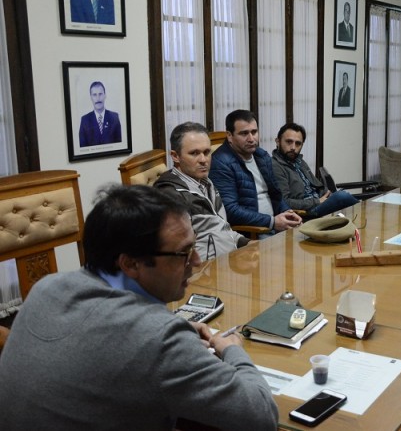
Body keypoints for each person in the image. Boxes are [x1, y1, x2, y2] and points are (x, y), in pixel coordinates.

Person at [0, 185, 279, 430]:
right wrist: (231, 349)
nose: (196, 261)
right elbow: (262, 416)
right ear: (130, 263)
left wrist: (173, 330)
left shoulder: (47, 288)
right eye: (183, 252)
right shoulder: (158, 338)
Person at [154, 122, 251, 261]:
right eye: (194, 153)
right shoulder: (170, 194)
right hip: (203, 270)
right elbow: (176, 253)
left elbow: (221, 229)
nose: (203, 160)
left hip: (230, 262)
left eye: (206, 152)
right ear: (175, 156)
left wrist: (248, 243)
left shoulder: (206, 182)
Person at [209, 109, 302, 235]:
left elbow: (276, 195)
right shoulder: (220, 163)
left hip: (276, 226)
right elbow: (230, 211)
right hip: (252, 233)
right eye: (244, 133)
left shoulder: (262, 156)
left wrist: (288, 213)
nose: (251, 139)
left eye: (254, 132)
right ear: (230, 136)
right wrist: (272, 222)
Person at [271, 122, 359, 217]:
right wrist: (317, 201)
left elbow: (315, 185)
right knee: (342, 197)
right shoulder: (275, 166)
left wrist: (328, 194)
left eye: (298, 144)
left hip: (319, 202)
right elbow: (284, 201)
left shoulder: (299, 161)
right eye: (289, 142)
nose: (293, 147)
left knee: (343, 195)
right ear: (278, 141)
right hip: (306, 212)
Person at [78, 81, 122, 147]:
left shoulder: (114, 117)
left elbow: (120, 145)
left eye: (100, 94)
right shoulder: (85, 120)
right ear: (91, 97)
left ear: (105, 95)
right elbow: (82, 147)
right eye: (94, 95)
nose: (98, 98)